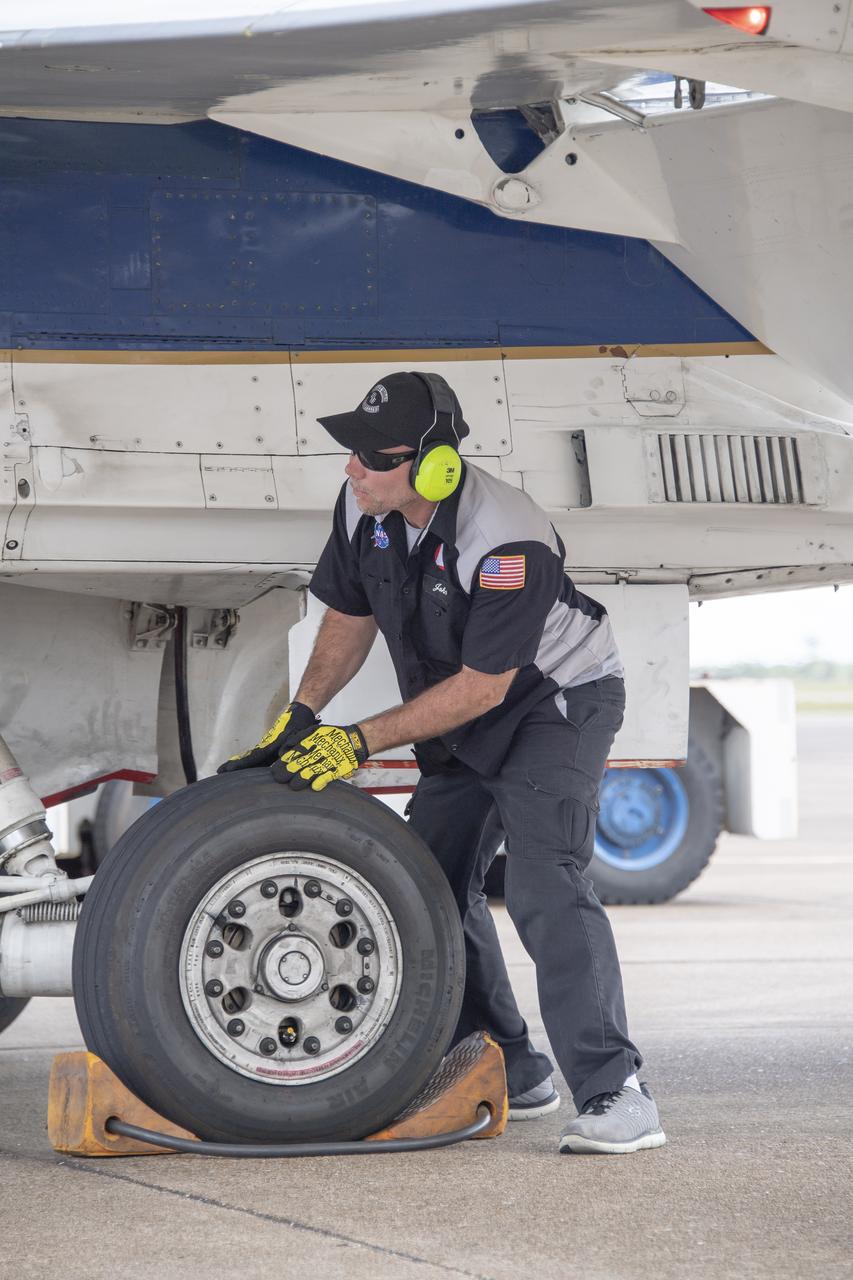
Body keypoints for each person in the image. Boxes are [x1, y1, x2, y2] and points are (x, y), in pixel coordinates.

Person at [221, 371, 665, 1155]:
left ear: (435, 466)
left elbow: (486, 686)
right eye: (349, 453)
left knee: (541, 881)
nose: (352, 469)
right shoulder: (366, 509)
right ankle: (507, 1062)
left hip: (552, 706)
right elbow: (349, 615)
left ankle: (616, 1092)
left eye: (372, 457)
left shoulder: (504, 538)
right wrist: (302, 717)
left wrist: (357, 741)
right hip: (461, 709)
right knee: (426, 879)